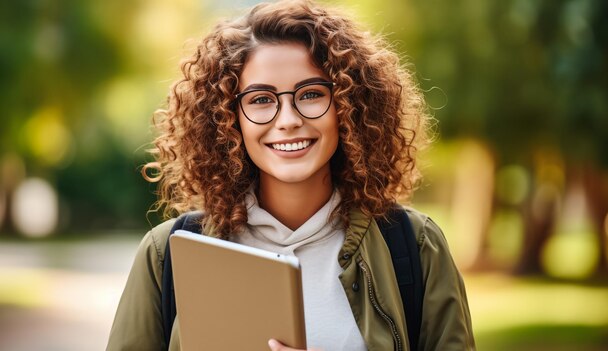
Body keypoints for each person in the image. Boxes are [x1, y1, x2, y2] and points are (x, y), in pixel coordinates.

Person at [106, 0, 475, 350]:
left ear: (349, 106)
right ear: (227, 119)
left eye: (311, 94)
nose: (289, 120)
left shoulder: (415, 246)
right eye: (261, 100)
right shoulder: (165, 254)